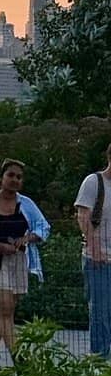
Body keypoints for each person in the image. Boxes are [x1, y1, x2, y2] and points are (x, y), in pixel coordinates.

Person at [0, 159, 50, 376]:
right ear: (1, 178)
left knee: (5, 310)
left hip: (18, 263)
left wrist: (27, 238)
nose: (14, 180)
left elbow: (43, 227)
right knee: (5, 311)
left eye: (19, 177)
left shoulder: (26, 205)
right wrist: (0, 246)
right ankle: (20, 360)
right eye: (11, 175)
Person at [74, 144, 111, 357]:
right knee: (100, 311)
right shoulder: (94, 182)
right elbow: (83, 215)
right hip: (99, 258)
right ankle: (100, 360)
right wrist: (95, 247)